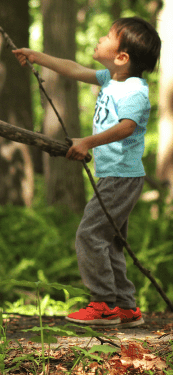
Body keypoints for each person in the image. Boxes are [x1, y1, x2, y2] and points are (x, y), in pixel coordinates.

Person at [13, 17, 161, 328]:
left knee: (90, 234)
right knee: (110, 240)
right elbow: (72, 69)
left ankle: (103, 303)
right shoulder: (111, 79)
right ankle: (125, 306)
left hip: (121, 176)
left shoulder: (133, 90)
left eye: (108, 36)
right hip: (114, 175)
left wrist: (88, 142)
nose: (99, 38)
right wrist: (37, 56)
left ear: (122, 57)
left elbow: (127, 127)